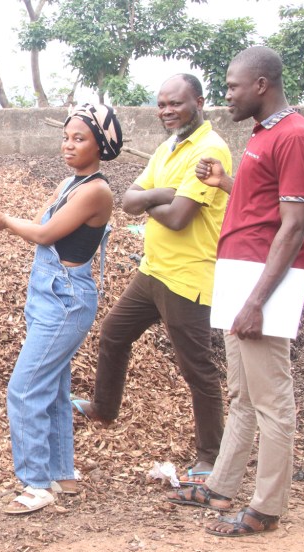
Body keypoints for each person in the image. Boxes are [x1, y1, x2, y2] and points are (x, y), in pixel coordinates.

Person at [167, 46, 304, 538]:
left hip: (261, 284)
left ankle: (267, 506)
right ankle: (221, 486)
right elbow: (263, 206)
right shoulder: (263, 133)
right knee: (242, 395)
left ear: (260, 84)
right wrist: (224, 182)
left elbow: (294, 226)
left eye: (233, 86)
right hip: (240, 276)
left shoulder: (296, 136)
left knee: (272, 400)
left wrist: (257, 301)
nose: (227, 95)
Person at [72, 74, 232, 485]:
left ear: (199, 102)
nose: (167, 111)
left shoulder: (211, 150)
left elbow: (179, 219)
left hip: (188, 274)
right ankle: (104, 409)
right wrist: (164, 194)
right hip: (153, 269)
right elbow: (128, 201)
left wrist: (151, 199)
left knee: (197, 368)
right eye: (161, 104)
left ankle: (211, 456)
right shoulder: (168, 147)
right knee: (114, 334)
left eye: (176, 103)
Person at [0, 103, 123, 514]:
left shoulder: (96, 191)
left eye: (79, 139)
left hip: (66, 297)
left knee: (24, 388)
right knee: (54, 386)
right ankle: (61, 473)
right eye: (65, 137)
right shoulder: (69, 183)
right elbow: (43, 229)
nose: (68, 145)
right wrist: (8, 222)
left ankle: (35, 484)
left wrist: (7, 221)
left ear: (100, 145)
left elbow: (44, 234)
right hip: (47, 291)